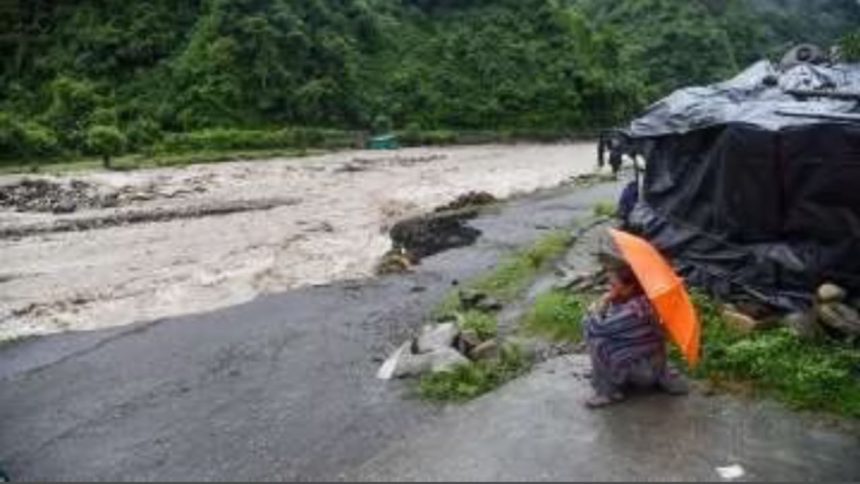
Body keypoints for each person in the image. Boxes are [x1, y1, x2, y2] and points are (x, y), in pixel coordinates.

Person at [582, 257, 688, 408]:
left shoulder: (634, 310)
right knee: (603, 339)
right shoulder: (638, 300)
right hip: (647, 360)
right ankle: (604, 374)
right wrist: (610, 301)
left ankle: (608, 392)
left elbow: (597, 327)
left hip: (646, 370)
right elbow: (612, 326)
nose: (609, 287)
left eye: (613, 284)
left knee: (598, 342)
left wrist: (600, 304)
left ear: (629, 287)